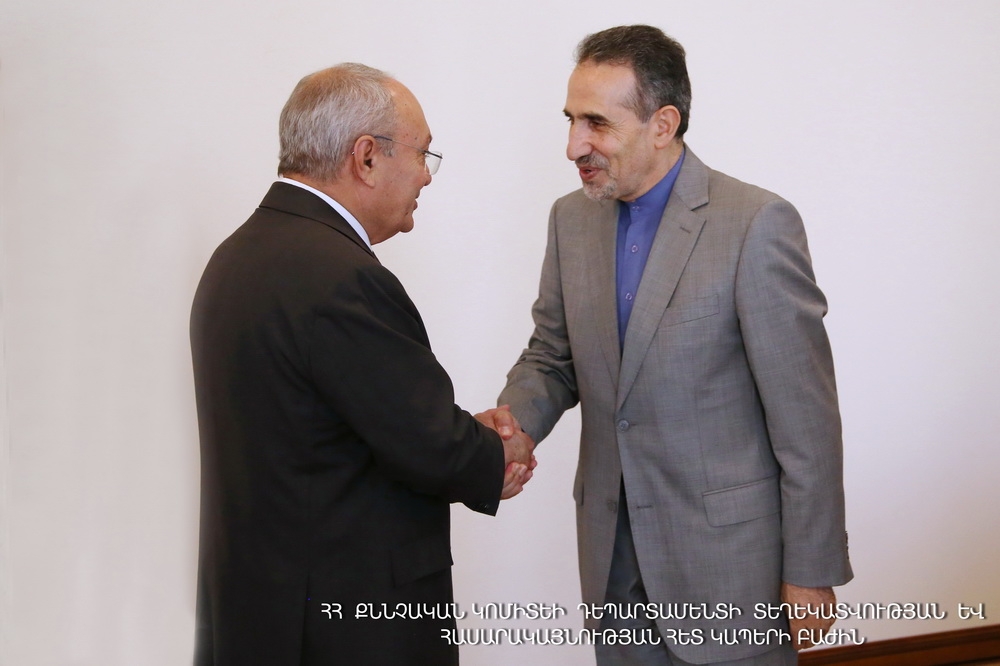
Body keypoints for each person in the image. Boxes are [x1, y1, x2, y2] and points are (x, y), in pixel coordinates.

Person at [498, 26, 852, 665]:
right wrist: (509, 428)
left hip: (729, 570)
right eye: (571, 120)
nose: (574, 145)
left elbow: (806, 418)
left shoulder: (756, 223)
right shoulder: (569, 219)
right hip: (612, 561)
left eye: (596, 123)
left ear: (663, 124)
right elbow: (553, 355)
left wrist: (811, 568)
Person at [190, 63, 534, 666]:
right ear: (367, 157)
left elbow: (352, 424)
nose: (426, 175)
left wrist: (459, 436)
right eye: (423, 154)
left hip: (257, 615)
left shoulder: (236, 257)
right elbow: (432, 446)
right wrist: (493, 451)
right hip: (344, 628)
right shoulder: (341, 277)